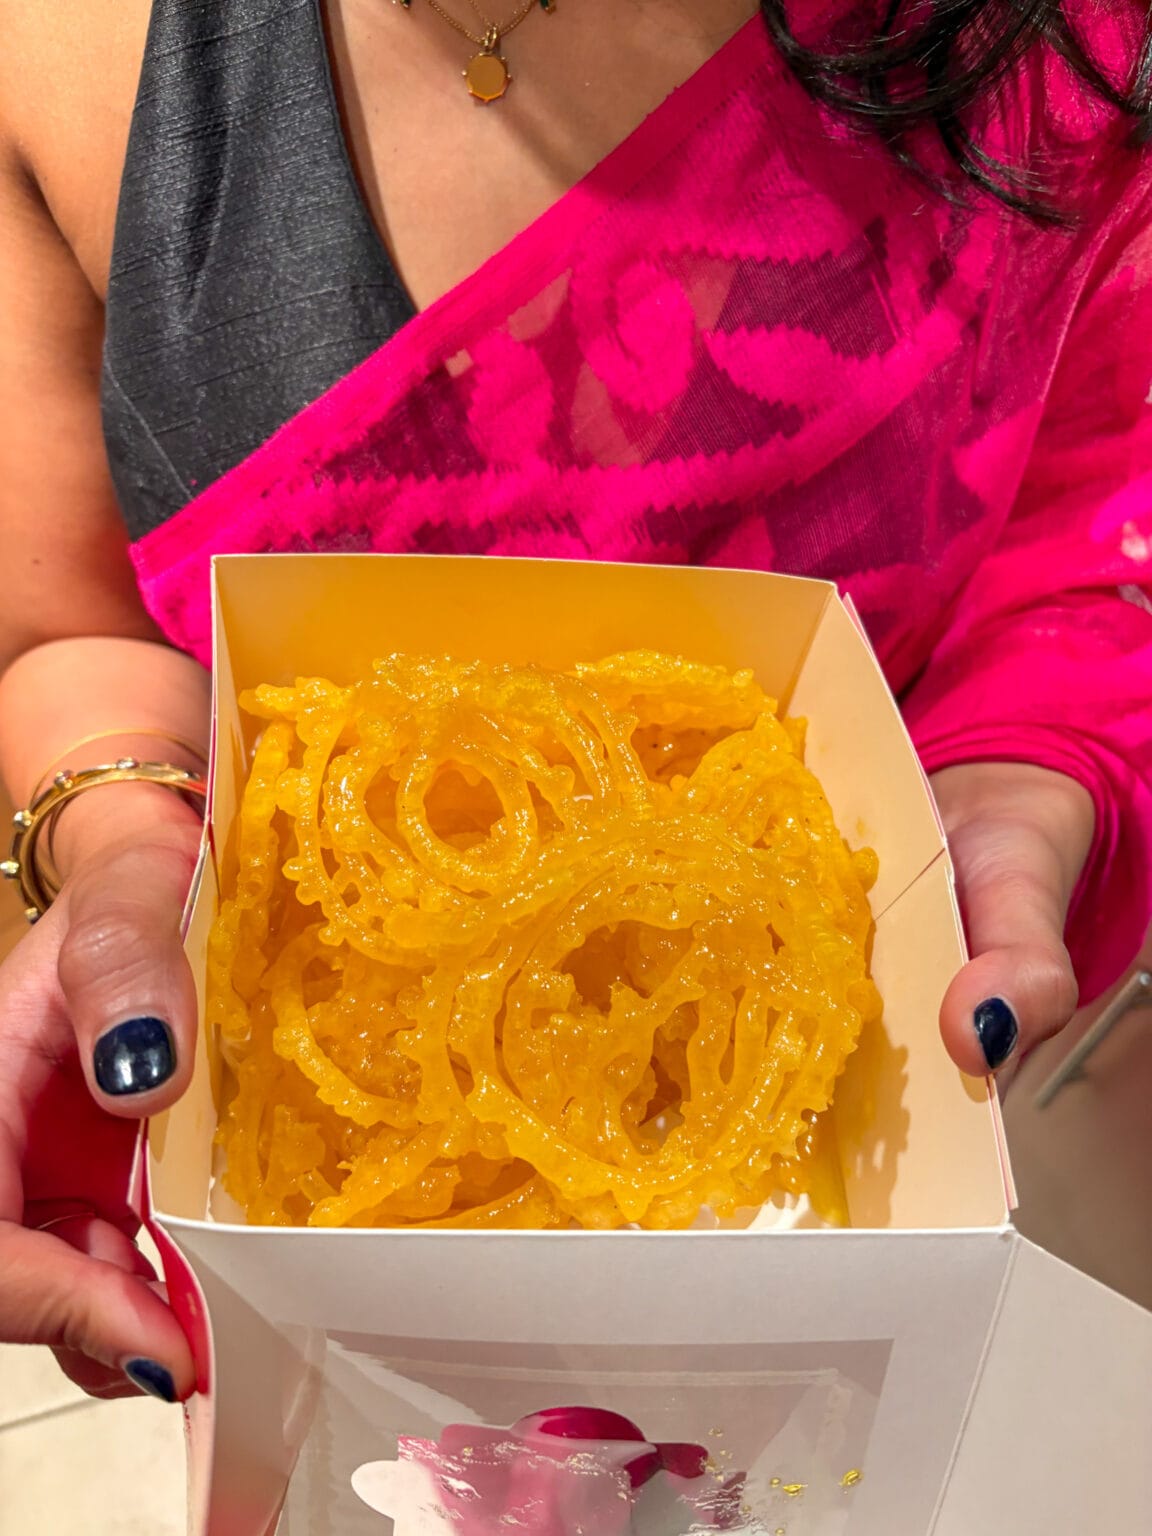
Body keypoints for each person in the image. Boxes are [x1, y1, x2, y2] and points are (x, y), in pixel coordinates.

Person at [0, 0, 1149, 1413]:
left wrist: (1012, 771)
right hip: (307, 1209)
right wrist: (120, 832)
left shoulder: (1076, 47)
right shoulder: (47, 45)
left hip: (802, 1188)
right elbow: (74, 632)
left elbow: (1076, 514)